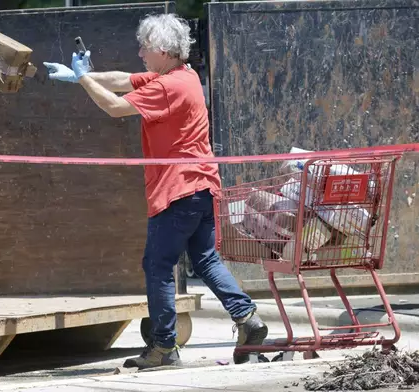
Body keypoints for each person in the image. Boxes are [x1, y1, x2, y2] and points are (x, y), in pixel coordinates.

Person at [43, 13, 268, 369]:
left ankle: (163, 347)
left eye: (145, 47)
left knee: (158, 265)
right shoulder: (182, 76)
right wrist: (80, 77)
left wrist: (85, 79)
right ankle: (247, 318)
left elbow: (116, 107)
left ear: (163, 50)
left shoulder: (168, 87)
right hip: (203, 187)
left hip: (177, 191)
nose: (140, 52)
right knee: (206, 259)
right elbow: (123, 81)